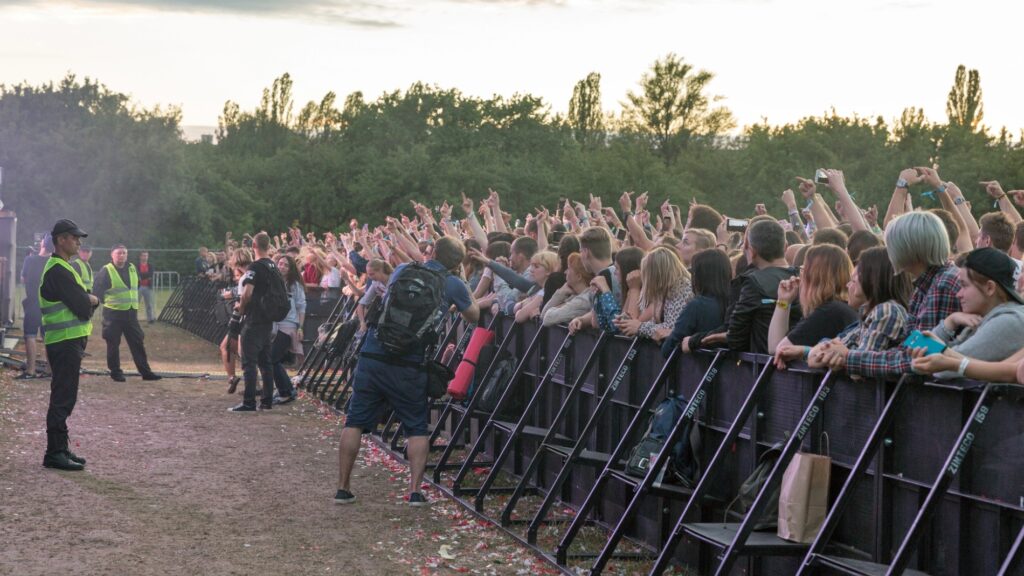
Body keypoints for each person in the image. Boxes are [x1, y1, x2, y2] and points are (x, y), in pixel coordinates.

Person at [336, 236, 480, 506]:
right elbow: (474, 315)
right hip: (410, 360)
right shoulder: (452, 283)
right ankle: (415, 491)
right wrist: (460, 283)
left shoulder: (403, 270)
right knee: (416, 426)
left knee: (354, 420)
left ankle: (343, 487)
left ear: (433, 251)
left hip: (375, 351)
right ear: (456, 263)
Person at [814, 211, 961, 376]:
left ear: (908, 247)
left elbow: (919, 357)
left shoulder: (943, 285)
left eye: (891, 244)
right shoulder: (924, 286)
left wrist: (849, 358)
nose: (888, 251)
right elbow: (909, 346)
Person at [909, 248, 1024, 379]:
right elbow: (919, 349)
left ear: (990, 288)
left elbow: (944, 369)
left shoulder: (1010, 322)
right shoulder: (987, 315)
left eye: (964, 285)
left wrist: (933, 349)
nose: (958, 294)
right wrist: (950, 321)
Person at [39, 219, 98, 471]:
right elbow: (83, 306)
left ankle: (60, 448)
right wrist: (92, 299)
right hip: (64, 343)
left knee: (65, 395)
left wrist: (87, 299)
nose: (78, 242)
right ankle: (54, 453)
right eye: (74, 238)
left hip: (67, 342)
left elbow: (81, 301)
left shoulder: (64, 267)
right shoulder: (58, 270)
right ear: (61, 240)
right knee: (63, 396)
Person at [770, 244, 859, 368]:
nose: (800, 276)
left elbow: (777, 348)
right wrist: (784, 300)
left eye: (803, 270)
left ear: (815, 277)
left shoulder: (829, 311)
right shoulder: (839, 308)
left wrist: (782, 304)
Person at [93, 245, 162, 382]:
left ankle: (146, 372)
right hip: (113, 314)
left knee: (137, 342)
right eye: (119, 253)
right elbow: (97, 291)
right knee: (113, 344)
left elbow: (135, 286)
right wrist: (110, 301)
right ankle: (116, 372)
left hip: (130, 314)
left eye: (124, 253)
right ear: (112, 255)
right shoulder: (106, 270)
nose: (122, 255)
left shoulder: (132, 268)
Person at [229, 232, 278, 412]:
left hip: (253, 318)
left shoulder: (255, 267)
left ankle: (249, 401)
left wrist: (240, 309)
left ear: (254, 247)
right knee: (266, 363)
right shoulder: (273, 265)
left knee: (249, 363)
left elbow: (247, 293)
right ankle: (267, 401)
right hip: (267, 318)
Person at [658, 248, 732, 357]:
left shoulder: (697, 306)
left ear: (699, 276)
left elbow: (668, 348)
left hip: (698, 370)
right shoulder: (737, 302)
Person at [270, 253, 306, 404]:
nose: (282, 266)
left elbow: (301, 306)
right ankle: (283, 388)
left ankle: (287, 391)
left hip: (288, 325)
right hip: (272, 324)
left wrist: (300, 327)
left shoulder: (295, 285)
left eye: (286, 264)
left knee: (272, 358)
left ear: (291, 269)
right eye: (280, 263)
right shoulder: (272, 282)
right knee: (272, 359)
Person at [19, 235, 51, 379]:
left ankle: (30, 371)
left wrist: (29, 259)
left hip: (33, 302)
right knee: (48, 337)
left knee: (30, 335)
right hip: (50, 304)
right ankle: (50, 371)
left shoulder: (30, 260)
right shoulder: (55, 262)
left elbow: (23, 279)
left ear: (43, 244)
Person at [138, 251, 155, 323]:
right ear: (140, 257)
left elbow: (150, 274)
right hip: (138, 287)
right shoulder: (137, 266)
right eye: (144, 255)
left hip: (148, 287)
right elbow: (137, 274)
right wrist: (146, 276)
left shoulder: (150, 266)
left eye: (146, 256)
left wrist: (142, 276)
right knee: (135, 304)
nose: (145, 257)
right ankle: (133, 319)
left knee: (149, 304)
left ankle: (150, 319)